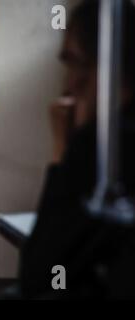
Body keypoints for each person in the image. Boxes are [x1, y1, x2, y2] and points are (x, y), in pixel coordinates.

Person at [19, 0, 135, 299]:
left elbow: (39, 274)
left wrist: (63, 148)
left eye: (74, 63)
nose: (68, 84)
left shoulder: (101, 148)